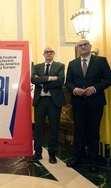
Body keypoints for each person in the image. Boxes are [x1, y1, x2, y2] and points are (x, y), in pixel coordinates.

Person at [65, 39, 111, 172]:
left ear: (90, 46)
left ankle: (93, 161)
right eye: (80, 45)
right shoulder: (72, 64)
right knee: (78, 131)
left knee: (93, 132)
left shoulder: (101, 61)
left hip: (95, 102)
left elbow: (109, 79)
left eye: (85, 45)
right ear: (77, 48)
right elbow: (69, 82)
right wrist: (75, 90)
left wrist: (95, 88)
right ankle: (77, 158)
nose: (83, 47)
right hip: (78, 103)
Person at [30, 47, 66, 164]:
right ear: (43, 54)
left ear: (54, 54)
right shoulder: (36, 67)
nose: (49, 53)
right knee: (38, 128)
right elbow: (33, 80)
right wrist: (50, 78)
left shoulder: (60, 66)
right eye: (46, 52)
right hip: (40, 101)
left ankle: (52, 154)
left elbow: (60, 81)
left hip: (54, 101)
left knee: (53, 128)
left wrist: (43, 82)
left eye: (51, 52)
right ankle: (38, 153)